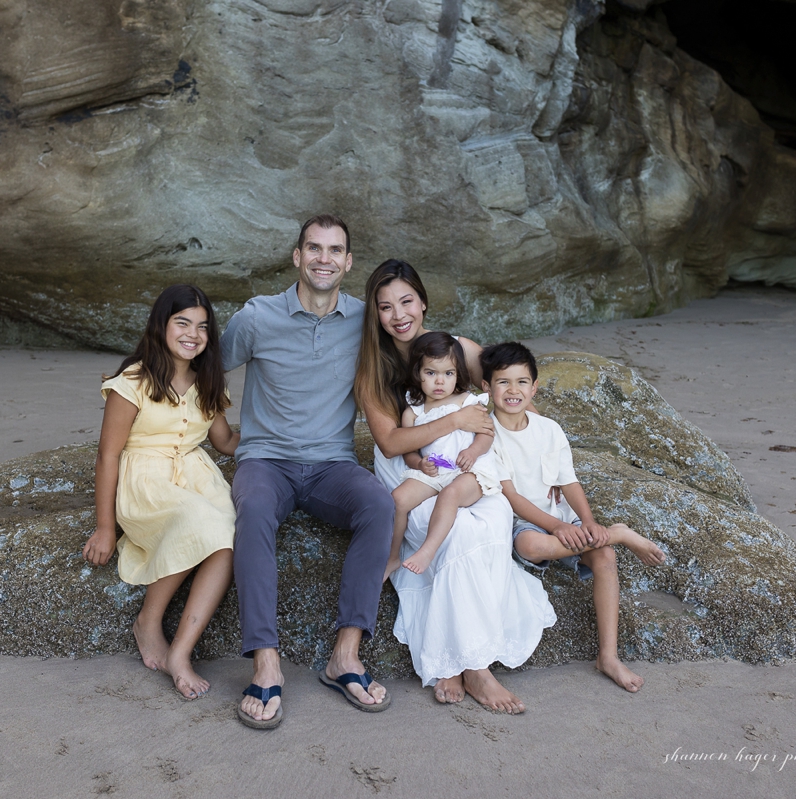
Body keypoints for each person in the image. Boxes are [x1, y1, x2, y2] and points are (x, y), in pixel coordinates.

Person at [355, 259, 556, 714]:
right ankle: (474, 667)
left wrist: (543, 459)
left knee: (491, 521)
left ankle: (460, 658)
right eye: (385, 307)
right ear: (375, 314)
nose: (399, 314)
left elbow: (508, 396)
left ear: (423, 302)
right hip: (417, 469)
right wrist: (453, 422)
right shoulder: (372, 367)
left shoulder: (457, 349)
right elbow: (390, 443)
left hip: (468, 464)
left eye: (407, 301)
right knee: (456, 534)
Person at [222, 214, 394, 729]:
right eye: (313, 249)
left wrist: (506, 393)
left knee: (378, 504)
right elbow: (204, 369)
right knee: (251, 508)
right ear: (297, 257)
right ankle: (266, 661)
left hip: (331, 467)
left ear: (347, 262)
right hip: (265, 461)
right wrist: (224, 437)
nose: (324, 258)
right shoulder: (256, 317)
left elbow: (429, 343)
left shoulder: (365, 320)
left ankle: (345, 655)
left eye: (335, 250)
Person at [481, 342, 668, 693]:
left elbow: (568, 481)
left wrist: (588, 521)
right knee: (533, 543)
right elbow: (512, 496)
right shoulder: (487, 435)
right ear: (486, 388)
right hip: (523, 522)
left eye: (522, 382)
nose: (512, 390)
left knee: (604, 555)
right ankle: (620, 533)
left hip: (559, 515)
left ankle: (608, 656)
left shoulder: (548, 429)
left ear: (534, 388)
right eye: (502, 382)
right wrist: (557, 526)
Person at [82, 284, 239, 699]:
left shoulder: (208, 381)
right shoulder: (132, 381)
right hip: (145, 480)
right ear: (161, 325)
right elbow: (107, 455)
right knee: (198, 521)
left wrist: (280, 439)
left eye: (202, 327)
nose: (193, 334)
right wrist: (105, 528)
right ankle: (149, 623)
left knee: (227, 536)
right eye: (182, 323)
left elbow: (224, 441)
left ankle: (180, 652)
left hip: (195, 474)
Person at [386, 332, 505, 578]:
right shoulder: (414, 412)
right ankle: (392, 556)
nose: (439, 382)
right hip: (436, 469)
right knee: (397, 499)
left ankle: (427, 551)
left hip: (469, 470)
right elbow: (408, 450)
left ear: (458, 373)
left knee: (450, 494)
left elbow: (487, 433)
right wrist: (418, 463)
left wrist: (473, 452)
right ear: (418, 373)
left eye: (448, 374)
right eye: (431, 373)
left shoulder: (468, 401)